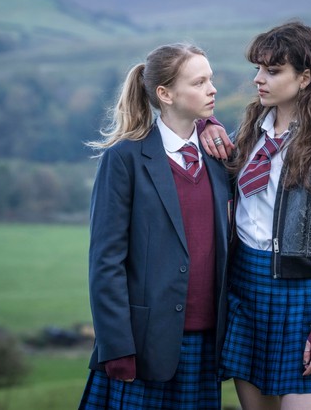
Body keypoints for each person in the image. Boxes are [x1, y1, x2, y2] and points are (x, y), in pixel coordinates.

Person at [200, 21, 311, 410]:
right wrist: (204, 122)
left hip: (303, 298)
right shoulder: (247, 134)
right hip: (244, 287)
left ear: (305, 78)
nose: (259, 79)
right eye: (258, 69)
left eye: (272, 71)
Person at [77, 43, 232, 410]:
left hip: (207, 346)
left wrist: (210, 123)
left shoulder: (220, 158)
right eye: (199, 82)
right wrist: (117, 346)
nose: (212, 89)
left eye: (211, 80)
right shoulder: (124, 159)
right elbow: (106, 261)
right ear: (165, 93)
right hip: (142, 346)